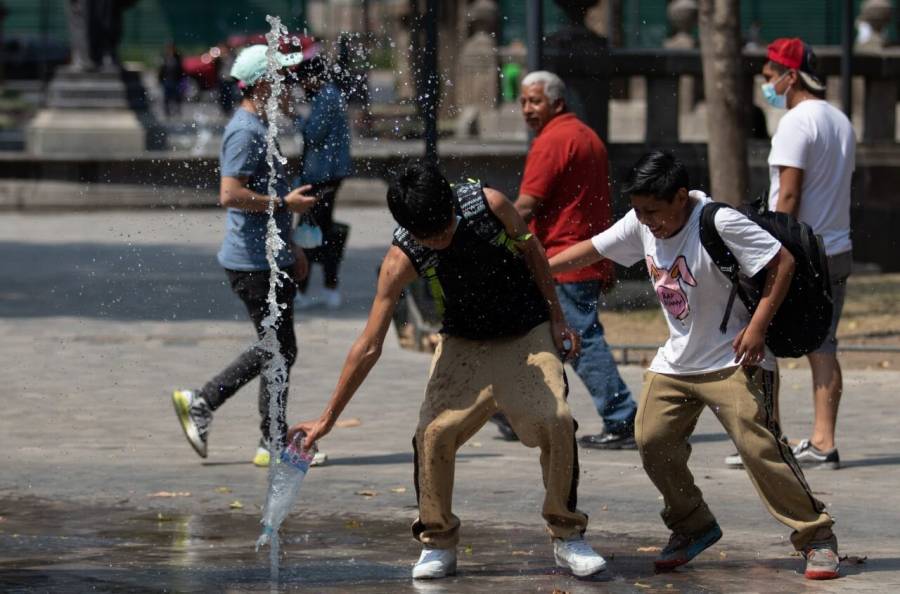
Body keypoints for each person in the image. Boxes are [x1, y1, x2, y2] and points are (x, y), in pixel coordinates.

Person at [288, 162, 607, 580]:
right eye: (429, 236)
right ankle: (438, 542)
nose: (440, 239)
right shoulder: (401, 257)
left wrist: (558, 319)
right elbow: (368, 345)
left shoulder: (489, 205)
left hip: (526, 334)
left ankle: (567, 536)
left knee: (557, 420)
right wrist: (327, 418)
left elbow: (532, 250)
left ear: (451, 204)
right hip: (462, 344)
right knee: (433, 433)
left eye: (444, 227)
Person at [549, 151, 840, 580]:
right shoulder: (641, 221)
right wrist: (535, 267)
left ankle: (816, 538)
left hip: (734, 356)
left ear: (681, 197)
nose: (646, 221)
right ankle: (693, 524)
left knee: (759, 448)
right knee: (651, 439)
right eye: (638, 211)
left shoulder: (718, 221)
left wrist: (758, 327)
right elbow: (590, 251)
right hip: (676, 360)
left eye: (654, 211)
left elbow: (783, 262)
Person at [171, 45, 323, 468]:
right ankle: (204, 400)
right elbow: (230, 194)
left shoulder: (262, 125)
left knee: (280, 348)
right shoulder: (245, 131)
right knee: (277, 347)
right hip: (251, 263)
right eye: (283, 79)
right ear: (262, 84)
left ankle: (270, 440)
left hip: (268, 257)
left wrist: (292, 244)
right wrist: (285, 205)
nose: (291, 87)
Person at [490, 70, 638, 450]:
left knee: (579, 339)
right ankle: (512, 410)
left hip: (560, 258)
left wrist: (483, 229)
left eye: (534, 101)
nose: (527, 109)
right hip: (583, 255)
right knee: (531, 333)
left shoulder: (552, 141)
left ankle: (621, 419)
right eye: (523, 101)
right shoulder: (586, 136)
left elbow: (524, 205)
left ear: (556, 103)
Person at [727, 38, 854, 470]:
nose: (766, 85)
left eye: (768, 77)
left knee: (762, 340)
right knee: (824, 344)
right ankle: (823, 442)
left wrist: (772, 247)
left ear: (790, 75)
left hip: (795, 252)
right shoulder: (839, 119)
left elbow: (791, 192)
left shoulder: (796, 123)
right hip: (835, 248)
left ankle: (768, 438)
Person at [292, 55, 353, 310]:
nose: (302, 85)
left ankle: (307, 290)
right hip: (327, 175)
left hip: (321, 177)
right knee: (320, 230)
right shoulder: (331, 95)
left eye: (304, 80)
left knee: (310, 229)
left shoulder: (326, 97)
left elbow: (313, 133)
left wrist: (294, 116)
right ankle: (326, 288)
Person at [158, 42, 184, 118]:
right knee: (166, 97)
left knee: (177, 97)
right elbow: (161, 69)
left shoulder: (178, 57)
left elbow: (181, 69)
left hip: (176, 80)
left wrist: (181, 79)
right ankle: (167, 112)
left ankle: (177, 111)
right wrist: (160, 79)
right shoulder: (165, 57)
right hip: (167, 80)